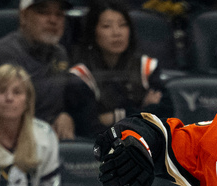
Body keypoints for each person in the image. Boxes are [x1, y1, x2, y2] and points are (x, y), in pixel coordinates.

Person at [0, 0, 96, 140]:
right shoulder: (2, 55)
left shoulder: (60, 54)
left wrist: (66, 115)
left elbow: (61, 102)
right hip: (5, 141)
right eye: (43, 12)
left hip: (48, 139)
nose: (53, 20)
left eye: (59, 14)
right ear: (23, 16)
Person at [69, 0, 165, 134]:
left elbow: (163, 114)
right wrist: (143, 111)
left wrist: (116, 116)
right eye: (106, 26)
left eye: (123, 25)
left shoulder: (147, 66)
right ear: (93, 31)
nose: (117, 33)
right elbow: (89, 126)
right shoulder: (81, 74)